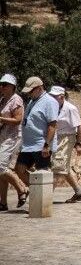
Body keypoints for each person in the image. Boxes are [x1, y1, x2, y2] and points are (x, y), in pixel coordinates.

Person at [14, 77, 59, 200]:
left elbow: (52, 125)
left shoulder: (49, 101)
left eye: (30, 91)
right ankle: (37, 190)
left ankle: (42, 200)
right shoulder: (32, 100)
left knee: (42, 172)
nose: (28, 93)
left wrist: (47, 145)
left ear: (39, 88)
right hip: (28, 145)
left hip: (41, 144)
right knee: (19, 169)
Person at [49, 86, 81, 203]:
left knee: (57, 167)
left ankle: (46, 197)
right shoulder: (52, 107)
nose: (52, 98)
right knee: (63, 167)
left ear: (62, 97)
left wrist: (79, 144)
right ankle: (79, 192)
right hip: (55, 138)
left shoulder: (70, 108)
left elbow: (80, 127)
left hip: (66, 138)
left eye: (54, 96)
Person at [0, 73, 26, 211]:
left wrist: (1, 119)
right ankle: (3, 202)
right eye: (1, 84)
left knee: (1, 167)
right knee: (1, 172)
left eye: (5, 85)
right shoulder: (3, 100)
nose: (2, 87)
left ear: (12, 87)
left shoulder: (16, 100)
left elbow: (18, 120)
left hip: (13, 137)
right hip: (3, 137)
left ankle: (21, 189)